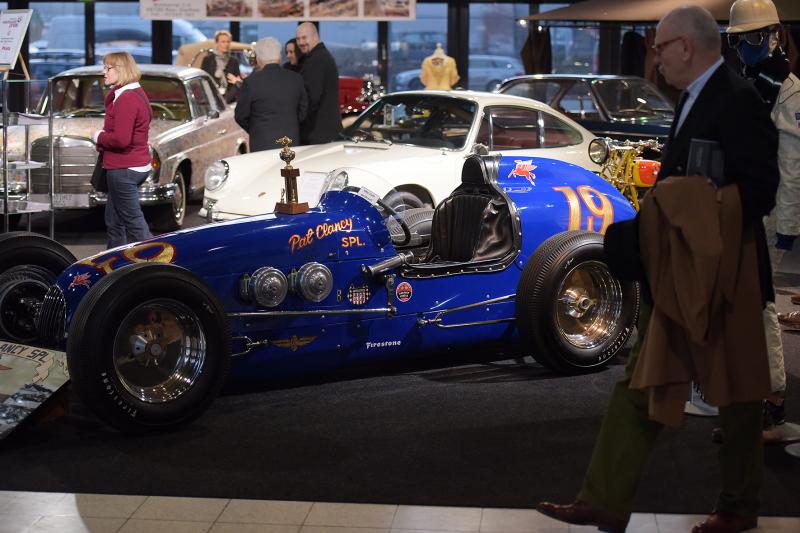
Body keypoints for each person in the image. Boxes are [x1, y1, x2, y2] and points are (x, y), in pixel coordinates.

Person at [536, 5, 779, 533]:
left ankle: (739, 507)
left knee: (738, 395)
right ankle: (602, 499)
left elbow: (760, 191)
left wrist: (684, 205)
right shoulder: (694, 98)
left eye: (661, 47)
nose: (656, 57)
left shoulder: (737, 101)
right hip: (676, 274)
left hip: (724, 276)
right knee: (642, 383)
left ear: (687, 47)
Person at [727, 0, 800, 442]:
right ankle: (747, 401)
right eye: (738, 40)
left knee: (761, 309)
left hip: (770, 216)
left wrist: (789, 226)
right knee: (745, 309)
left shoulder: (788, 93)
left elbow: (793, 168)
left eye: (751, 38)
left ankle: (772, 400)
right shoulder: (751, 86)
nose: (744, 47)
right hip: (746, 212)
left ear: (773, 35)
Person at [93, 52, 154, 249]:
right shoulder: (134, 92)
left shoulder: (127, 98)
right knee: (114, 221)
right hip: (132, 166)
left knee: (135, 225)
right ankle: (113, 265)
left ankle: (159, 265)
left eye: (107, 68)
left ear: (121, 69)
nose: (103, 72)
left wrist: (98, 136)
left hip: (124, 169)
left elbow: (121, 139)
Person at [235, 37, 307, 152]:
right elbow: (303, 112)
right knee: (289, 170)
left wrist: (257, 129)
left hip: (262, 143)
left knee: (265, 171)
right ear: (279, 57)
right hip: (291, 142)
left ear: (258, 59)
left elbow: (240, 116)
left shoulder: (251, 82)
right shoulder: (296, 79)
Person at [295, 21, 342, 145]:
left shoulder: (317, 60)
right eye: (298, 39)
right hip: (325, 132)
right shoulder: (321, 56)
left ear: (315, 36)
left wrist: (298, 119)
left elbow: (311, 97)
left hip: (318, 134)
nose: (300, 42)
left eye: (304, 38)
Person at [201, 30, 242, 103]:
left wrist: (226, 99)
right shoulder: (207, 60)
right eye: (223, 42)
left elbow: (237, 82)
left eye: (228, 42)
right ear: (216, 43)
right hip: (211, 99)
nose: (226, 44)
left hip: (229, 100)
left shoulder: (234, 61)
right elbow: (203, 81)